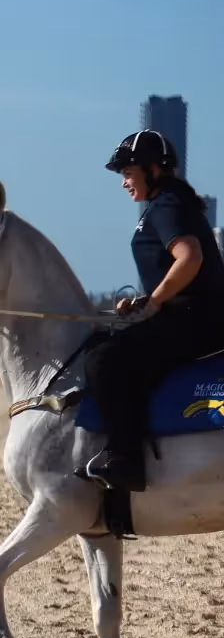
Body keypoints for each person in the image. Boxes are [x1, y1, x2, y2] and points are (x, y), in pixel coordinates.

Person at [82, 130, 224, 492]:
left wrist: (156, 301)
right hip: (191, 314)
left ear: (153, 169)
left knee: (103, 359)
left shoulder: (167, 204)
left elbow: (190, 259)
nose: (124, 183)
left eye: (128, 173)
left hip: (195, 320)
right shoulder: (166, 203)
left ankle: (126, 460)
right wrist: (145, 300)